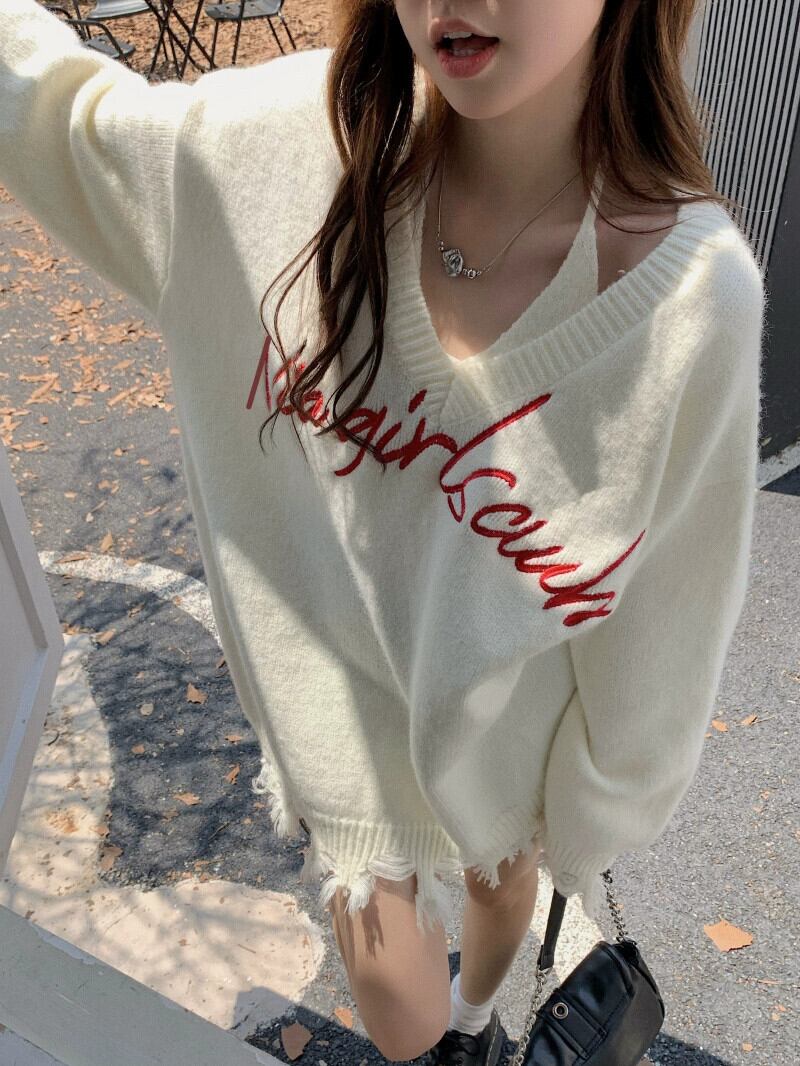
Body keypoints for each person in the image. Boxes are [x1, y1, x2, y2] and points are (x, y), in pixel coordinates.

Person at [0, 1, 766, 1064]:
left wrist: (595, 809)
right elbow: (67, 120)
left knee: (500, 888)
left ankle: (476, 1024)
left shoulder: (689, 298)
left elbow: (670, 615)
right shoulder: (282, 153)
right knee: (394, 993)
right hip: (342, 724)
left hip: (512, 739)